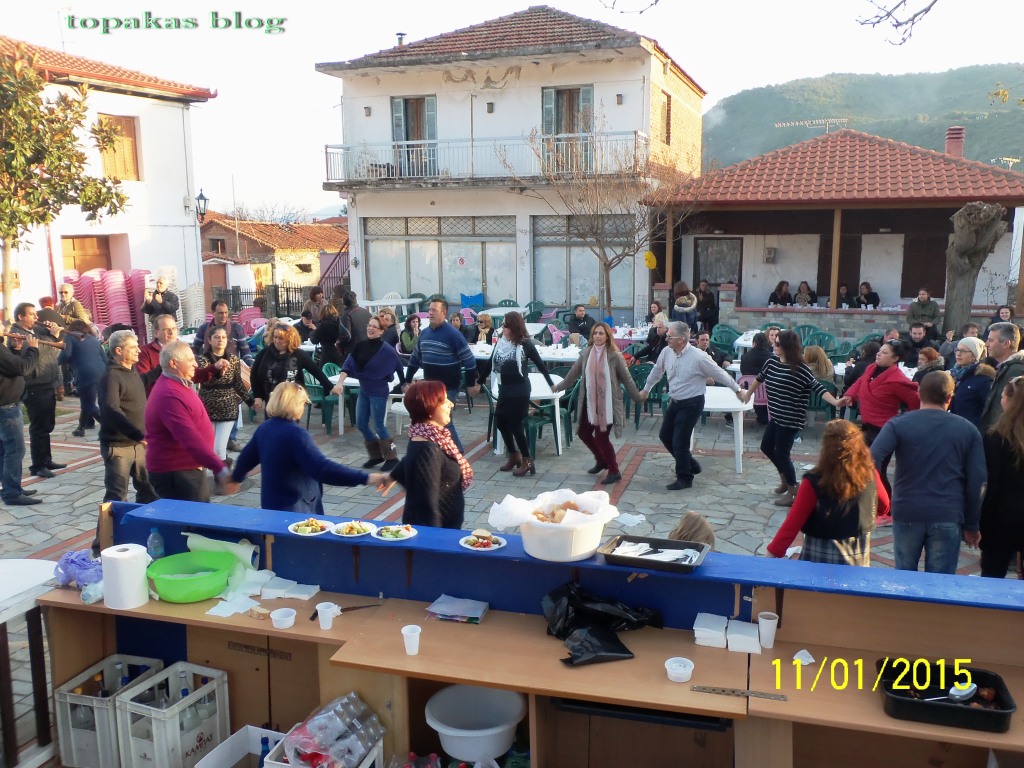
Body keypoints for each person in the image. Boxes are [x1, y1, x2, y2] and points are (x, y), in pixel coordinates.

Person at [870, 372, 985, 574]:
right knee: (940, 582)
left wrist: (879, 500)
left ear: (919, 392)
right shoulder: (968, 430)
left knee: (904, 578)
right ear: (949, 397)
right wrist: (972, 524)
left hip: (907, 509)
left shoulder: (898, 424)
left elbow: (870, 461)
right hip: (947, 512)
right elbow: (977, 481)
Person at [231, 382, 386, 514]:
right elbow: (323, 469)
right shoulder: (296, 435)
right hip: (298, 512)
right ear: (295, 405)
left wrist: (235, 478)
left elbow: (245, 459)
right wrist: (366, 478)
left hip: (272, 507)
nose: (304, 408)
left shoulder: (265, 428)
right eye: (303, 403)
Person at [740, 330, 842, 506]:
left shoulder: (800, 368)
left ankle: (793, 490)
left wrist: (836, 402)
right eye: (774, 342)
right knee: (766, 447)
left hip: (791, 418)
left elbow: (817, 387)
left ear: (788, 346)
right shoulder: (772, 362)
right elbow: (759, 378)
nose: (774, 345)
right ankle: (785, 479)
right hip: (776, 415)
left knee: (782, 453)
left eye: (778, 344)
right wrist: (748, 394)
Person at [767, 420, 889, 565]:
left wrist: (772, 553)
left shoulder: (814, 481)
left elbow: (792, 525)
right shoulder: (870, 474)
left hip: (818, 560)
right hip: (857, 561)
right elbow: (884, 506)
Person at [641, 321, 737, 490]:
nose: (666, 339)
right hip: (675, 401)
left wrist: (738, 390)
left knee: (680, 441)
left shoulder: (698, 357)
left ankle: (685, 477)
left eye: (670, 336)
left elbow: (720, 374)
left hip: (692, 403)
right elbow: (657, 371)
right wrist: (646, 389)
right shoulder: (666, 352)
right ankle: (691, 464)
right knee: (665, 435)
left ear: (681, 339)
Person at [555, 322, 646, 485]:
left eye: (601, 333)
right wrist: (557, 387)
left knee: (601, 437)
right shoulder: (586, 353)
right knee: (583, 433)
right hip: (590, 402)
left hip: (607, 404)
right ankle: (601, 460)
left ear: (607, 336)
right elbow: (572, 375)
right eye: (595, 333)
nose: (597, 336)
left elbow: (627, 379)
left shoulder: (614, 356)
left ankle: (614, 471)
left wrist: (638, 397)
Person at [144, 341, 235, 502]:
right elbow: (189, 438)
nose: (195, 364)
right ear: (174, 363)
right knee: (193, 517)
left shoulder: (179, 384)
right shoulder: (169, 394)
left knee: (199, 515)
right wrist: (220, 468)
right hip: (177, 473)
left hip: (187, 469)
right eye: (190, 360)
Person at [383, 380, 473, 529]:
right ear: (429, 407)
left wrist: (393, 475)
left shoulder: (425, 436)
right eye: (444, 401)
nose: (450, 404)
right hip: (437, 533)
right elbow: (426, 506)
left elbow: (411, 458)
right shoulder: (428, 449)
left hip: (445, 530)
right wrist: (434, 539)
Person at [403, 298, 479, 452]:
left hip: (448, 387)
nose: (430, 313)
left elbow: (469, 360)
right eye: (429, 310)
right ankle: (441, 453)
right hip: (430, 388)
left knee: (444, 421)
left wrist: (471, 384)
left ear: (444, 313)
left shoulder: (453, 334)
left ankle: (458, 454)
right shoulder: (424, 333)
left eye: (434, 310)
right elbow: (415, 358)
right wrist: (407, 380)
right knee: (434, 421)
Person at [331, 315, 405, 471]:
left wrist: (404, 384)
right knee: (361, 424)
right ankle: (376, 455)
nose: (370, 328)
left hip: (379, 392)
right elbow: (347, 365)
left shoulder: (387, 350)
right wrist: (339, 383)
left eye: (374, 327)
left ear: (381, 331)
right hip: (364, 390)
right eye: (369, 325)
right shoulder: (360, 346)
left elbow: (399, 366)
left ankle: (392, 457)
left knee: (379, 426)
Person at [489, 311, 554, 477]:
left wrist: (551, 384)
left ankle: (528, 461)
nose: (503, 328)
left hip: (520, 390)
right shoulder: (501, 343)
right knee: (500, 421)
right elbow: (490, 362)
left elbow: (540, 364)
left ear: (514, 327)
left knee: (515, 425)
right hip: (505, 389)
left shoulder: (525, 344)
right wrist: (478, 382)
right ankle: (514, 455)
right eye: (503, 325)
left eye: (506, 325)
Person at [98, 330, 158, 504]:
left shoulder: (131, 371)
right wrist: (137, 434)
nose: (138, 350)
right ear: (119, 351)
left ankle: (145, 519)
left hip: (139, 444)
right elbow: (111, 409)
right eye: (133, 347)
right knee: (116, 496)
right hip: (119, 447)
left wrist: (163, 368)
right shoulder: (111, 376)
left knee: (149, 490)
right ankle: (112, 524)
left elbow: (142, 381)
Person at [9, 303, 66, 479]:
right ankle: (38, 465)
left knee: (47, 425)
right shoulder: (16, 334)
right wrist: (52, 336)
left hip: (46, 381)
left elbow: (51, 349)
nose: (36, 317)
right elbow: (36, 352)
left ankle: (46, 459)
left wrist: (52, 330)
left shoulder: (37, 331)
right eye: (31, 314)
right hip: (34, 384)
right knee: (39, 427)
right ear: (20, 317)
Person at [979, 376, 1024, 578]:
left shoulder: (996, 437)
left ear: (1010, 401)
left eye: (1003, 395)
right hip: (1008, 514)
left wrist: (978, 521)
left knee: (992, 576)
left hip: (1000, 517)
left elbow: (990, 484)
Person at [839, 340, 921, 447]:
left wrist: (904, 422)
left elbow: (916, 401)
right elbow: (861, 382)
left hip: (884, 431)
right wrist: (850, 395)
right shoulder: (871, 368)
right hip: (866, 425)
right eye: (880, 350)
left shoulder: (897, 380)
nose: (878, 354)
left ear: (895, 358)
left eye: (884, 352)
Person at [198, 327, 254, 462]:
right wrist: (217, 370)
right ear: (209, 340)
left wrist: (250, 401)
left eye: (223, 337)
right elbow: (205, 380)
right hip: (208, 407)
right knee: (209, 447)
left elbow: (238, 383)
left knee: (219, 448)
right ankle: (215, 470)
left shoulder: (233, 359)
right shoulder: (203, 360)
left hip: (228, 407)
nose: (220, 340)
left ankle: (222, 472)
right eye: (216, 337)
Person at [250, 323, 334, 412]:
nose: (277, 341)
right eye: (275, 337)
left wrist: (330, 387)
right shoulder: (264, 354)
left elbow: (316, 371)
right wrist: (258, 396)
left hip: (292, 399)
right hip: (271, 398)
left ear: (289, 339)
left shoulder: (298, 354)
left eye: (281, 338)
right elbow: (254, 375)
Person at [0, 330, 40, 505]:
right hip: (6, 408)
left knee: (4, 450)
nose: (3, 326)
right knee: (15, 450)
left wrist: (15, 350)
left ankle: (10, 487)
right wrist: (33, 349)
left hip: (5, 407)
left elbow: (10, 367)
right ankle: (12, 493)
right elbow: (22, 368)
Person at [58, 320, 107, 437]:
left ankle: (110, 427)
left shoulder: (70, 337)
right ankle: (81, 427)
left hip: (85, 373)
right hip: (101, 372)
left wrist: (56, 362)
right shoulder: (94, 339)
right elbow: (105, 358)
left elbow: (66, 354)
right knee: (87, 401)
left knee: (88, 404)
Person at [978, 322, 1024, 431]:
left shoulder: (1017, 370)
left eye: (991, 340)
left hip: (1005, 435)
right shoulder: (1006, 367)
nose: (986, 344)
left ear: (1006, 343)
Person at [948, 336, 993, 429]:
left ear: (974, 356)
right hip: (955, 427)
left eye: (963, 351)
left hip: (971, 430)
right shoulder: (954, 375)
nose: (958, 354)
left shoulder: (983, 379)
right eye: (957, 350)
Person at [192, 300, 254, 367]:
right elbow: (194, 349)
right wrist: (197, 362)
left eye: (226, 312)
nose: (224, 315)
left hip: (231, 367)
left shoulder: (236, 328)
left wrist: (251, 365)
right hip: (208, 367)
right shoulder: (203, 328)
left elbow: (245, 350)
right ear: (213, 313)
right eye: (220, 313)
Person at [741, 332, 772, 425]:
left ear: (754, 343)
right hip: (768, 393)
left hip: (750, 391)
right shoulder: (772, 357)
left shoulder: (745, 356)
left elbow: (743, 372)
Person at [338, 290, 371, 362]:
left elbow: (346, 336)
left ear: (343, 302)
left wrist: (338, 343)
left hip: (353, 353)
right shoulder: (366, 312)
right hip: (368, 349)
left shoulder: (346, 315)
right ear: (355, 300)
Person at [310, 303, 346, 368]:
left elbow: (314, 340)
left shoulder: (323, 325)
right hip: (340, 352)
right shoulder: (341, 322)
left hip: (326, 353)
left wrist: (312, 332)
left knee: (325, 371)